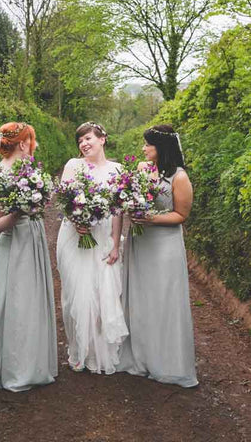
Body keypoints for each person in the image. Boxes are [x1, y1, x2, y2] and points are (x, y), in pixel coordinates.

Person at [0, 122, 58, 392]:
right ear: (23, 144)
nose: (34, 146)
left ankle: (35, 364)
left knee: (33, 301)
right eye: (32, 141)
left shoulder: (28, 170)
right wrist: (20, 211)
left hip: (32, 241)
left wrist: (36, 203)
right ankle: (17, 369)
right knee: (18, 304)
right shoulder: (1, 174)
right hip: (15, 246)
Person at [117, 124, 198, 388]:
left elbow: (181, 215)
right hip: (140, 242)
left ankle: (167, 361)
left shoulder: (179, 177)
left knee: (163, 300)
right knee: (141, 298)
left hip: (164, 246)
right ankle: (141, 356)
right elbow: (128, 198)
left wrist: (152, 218)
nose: (143, 149)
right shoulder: (142, 169)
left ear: (160, 147)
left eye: (147, 145)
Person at [57, 121, 128, 374]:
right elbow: (65, 202)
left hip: (103, 236)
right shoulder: (73, 165)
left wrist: (116, 244)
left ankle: (99, 353)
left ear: (102, 139)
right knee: (76, 295)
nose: (84, 144)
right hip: (75, 236)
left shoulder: (117, 169)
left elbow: (118, 210)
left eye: (88, 138)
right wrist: (77, 222)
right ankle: (78, 351)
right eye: (80, 140)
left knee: (102, 293)